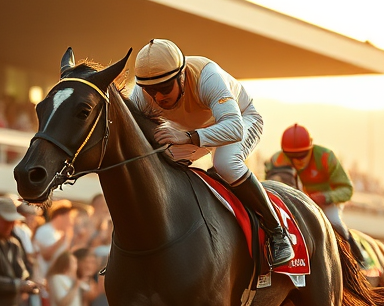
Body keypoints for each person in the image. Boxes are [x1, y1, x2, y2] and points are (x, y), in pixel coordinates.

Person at [130, 38, 292, 266]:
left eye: (165, 88)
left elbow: (234, 128)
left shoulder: (207, 76)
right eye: (150, 90)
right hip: (193, 131)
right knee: (161, 166)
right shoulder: (139, 95)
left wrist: (187, 137)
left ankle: (278, 232)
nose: (158, 97)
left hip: (240, 120)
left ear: (182, 76)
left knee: (225, 163)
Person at [267, 123, 367, 262]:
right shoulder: (277, 160)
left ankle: (360, 258)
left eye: (302, 155)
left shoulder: (326, 157)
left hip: (327, 203)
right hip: (298, 204)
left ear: (311, 148)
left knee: (334, 221)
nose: (297, 160)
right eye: (291, 156)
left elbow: (347, 189)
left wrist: (325, 197)